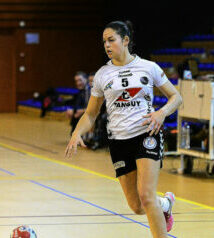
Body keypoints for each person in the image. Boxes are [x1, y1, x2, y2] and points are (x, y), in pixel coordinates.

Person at [65, 20, 182, 238]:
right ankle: (165, 203)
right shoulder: (102, 75)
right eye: (104, 42)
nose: (107, 45)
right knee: (137, 206)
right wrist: (76, 133)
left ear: (125, 40)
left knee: (147, 197)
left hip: (147, 133)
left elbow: (176, 97)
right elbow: (91, 113)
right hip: (119, 142)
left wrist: (161, 113)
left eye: (111, 40)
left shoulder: (149, 67)